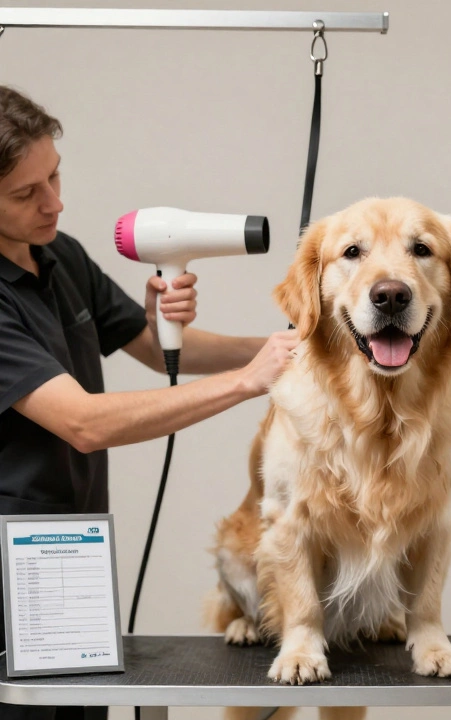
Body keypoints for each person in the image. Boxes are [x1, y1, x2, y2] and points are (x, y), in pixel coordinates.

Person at [0, 85, 298, 720]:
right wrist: (249, 381)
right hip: (10, 569)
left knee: (84, 707)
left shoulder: (59, 254)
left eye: (55, 175)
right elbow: (82, 422)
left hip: (73, 549)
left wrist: (291, 348)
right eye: (26, 194)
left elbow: (158, 350)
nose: (55, 202)